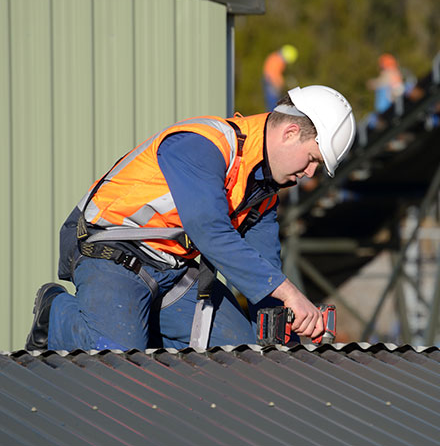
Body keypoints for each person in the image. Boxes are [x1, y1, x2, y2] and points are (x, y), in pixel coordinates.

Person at [25, 85, 356, 352]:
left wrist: (283, 342)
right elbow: (211, 234)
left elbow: (264, 271)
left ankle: (139, 326)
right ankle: (55, 312)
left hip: (173, 272)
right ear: (290, 132)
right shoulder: (201, 144)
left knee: (241, 357)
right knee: (115, 362)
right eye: (313, 159)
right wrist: (293, 295)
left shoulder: (264, 192)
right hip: (110, 251)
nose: (310, 174)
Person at [263, 45, 298, 111]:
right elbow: (271, 75)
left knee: (275, 107)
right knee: (273, 108)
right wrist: (277, 86)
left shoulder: (276, 59)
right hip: (271, 85)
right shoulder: (275, 61)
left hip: (271, 84)